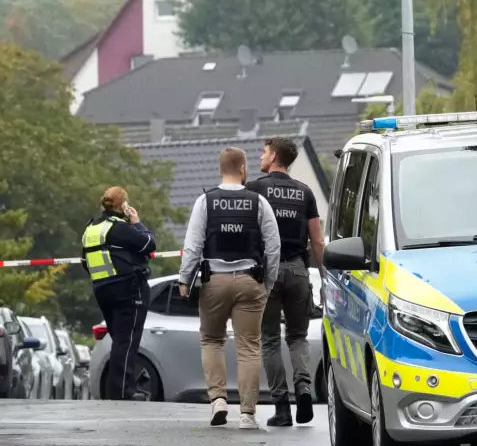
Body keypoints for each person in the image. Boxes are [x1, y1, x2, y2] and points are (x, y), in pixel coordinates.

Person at [177, 147, 281, 430]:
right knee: (249, 346)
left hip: (214, 281)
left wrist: (185, 279)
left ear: (220, 169)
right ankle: (247, 414)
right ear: (244, 169)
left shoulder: (205, 202)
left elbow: (193, 245)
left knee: (212, 340)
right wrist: (268, 282)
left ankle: (218, 399)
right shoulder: (258, 203)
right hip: (250, 279)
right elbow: (273, 246)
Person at [246, 137, 326, 427]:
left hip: (266, 272)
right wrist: (327, 279)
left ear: (274, 155)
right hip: (298, 272)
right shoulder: (305, 193)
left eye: (264, 152)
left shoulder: (255, 189)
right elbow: (317, 240)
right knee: (297, 337)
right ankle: (304, 387)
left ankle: (281, 408)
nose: (260, 156)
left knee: (269, 340)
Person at [81, 186, 156, 401]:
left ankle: (123, 387)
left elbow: (85, 261)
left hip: (102, 290)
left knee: (120, 340)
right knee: (126, 341)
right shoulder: (120, 228)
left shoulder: (91, 229)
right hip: (128, 290)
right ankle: (123, 391)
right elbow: (149, 243)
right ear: (123, 205)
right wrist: (137, 222)